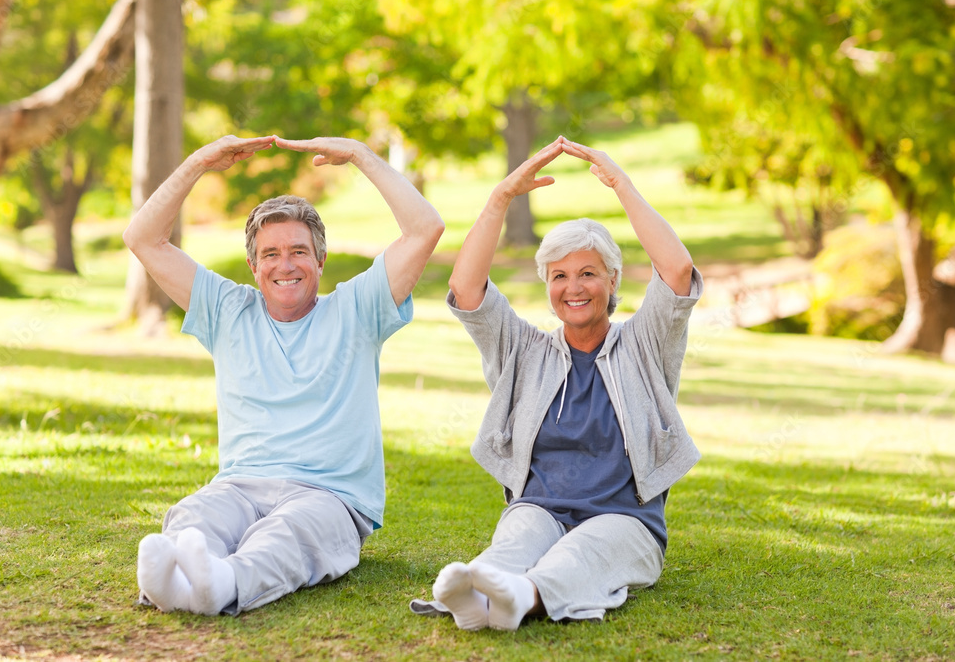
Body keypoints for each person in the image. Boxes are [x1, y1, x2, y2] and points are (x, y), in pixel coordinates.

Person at [124, 134, 445, 615]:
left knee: (288, 532)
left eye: (298, 251)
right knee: (195, 514)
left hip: (329, 496)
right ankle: (175, 583)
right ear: (253, 266)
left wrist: (359, 155)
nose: (285, 265)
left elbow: (424, 230)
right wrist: (199, 162)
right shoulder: (227, 310)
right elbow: (143, 238)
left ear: (320, 260)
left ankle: (222, 583)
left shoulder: (358, 309)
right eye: (271, 254)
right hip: (240, 485)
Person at [410, 136, 703, 630]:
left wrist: (621, 184)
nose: (574, 288)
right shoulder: (524, 351)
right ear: (547, 286)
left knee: (580, 554)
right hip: (539, 510)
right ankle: (478, 593)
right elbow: (466, 288)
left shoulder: (645, 344)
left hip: (625, 522)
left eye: (588, 273)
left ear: (613, 281)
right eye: (559, 276)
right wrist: (501, 197)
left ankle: (517, 598)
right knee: (514, 543)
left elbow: (677, 271)